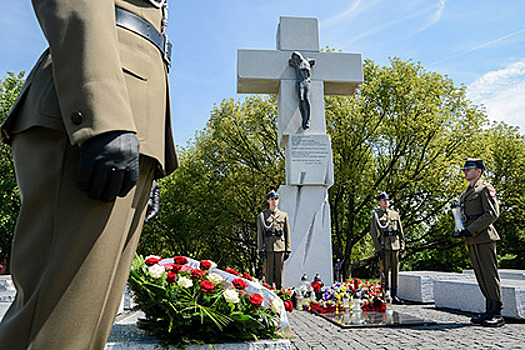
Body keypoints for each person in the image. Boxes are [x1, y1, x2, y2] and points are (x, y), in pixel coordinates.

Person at [0, 1, 178, 349]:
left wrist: (152, 155)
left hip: (136, 114)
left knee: (85, 328)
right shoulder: (104, 117)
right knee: (53, 329)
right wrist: (104, 115)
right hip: (92, 111)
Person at [457, 158, 504, 327]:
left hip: (484, 236)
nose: (465, 172)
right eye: (464, 169)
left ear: (478, 171)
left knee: (490, 274)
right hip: (472, 237)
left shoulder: (485, 188)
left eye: (468, 169)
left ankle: (497, 313)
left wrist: (472, 229)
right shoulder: (466, 193)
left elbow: (492, 213)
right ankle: (489, 310)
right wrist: (461, 229)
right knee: (481, 275)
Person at [369, 192, 405, 304]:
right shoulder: (376, 215)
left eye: (387, 200)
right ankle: (386, 293)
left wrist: (402, 245)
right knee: (384, 272)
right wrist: (378, 249)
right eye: (384, 200)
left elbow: (401, 231)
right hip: (384, 247)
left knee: (395, 271)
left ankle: (394, 295)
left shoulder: (395, 214)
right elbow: (374, 234)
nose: (386, 202)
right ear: (379, 202)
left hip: (395, 245)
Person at [257, 190, 291, 288]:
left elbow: (287, 232)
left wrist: (288, 249)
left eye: (276, 199)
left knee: (279, 273)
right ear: (268, 201)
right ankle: (269, 295)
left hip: (280, 247)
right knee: (269, 274)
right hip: (268, 248)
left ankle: (280, 293)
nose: (274, 201)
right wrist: (260, 249)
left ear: (278, 201)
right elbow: (260, 234)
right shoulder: (263, 216)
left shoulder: (283, 215)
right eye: (272, 199)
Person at [288, 51, 315, 130]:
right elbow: (290, 62)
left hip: (307, 81)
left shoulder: (307, 61)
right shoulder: (295, 63)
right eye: (294, 57)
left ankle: (308, 119)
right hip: (299, 82)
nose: (296, 58)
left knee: (306, 98)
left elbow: (313, 61)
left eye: (296, 56)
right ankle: (304, 118)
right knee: (301, 99)